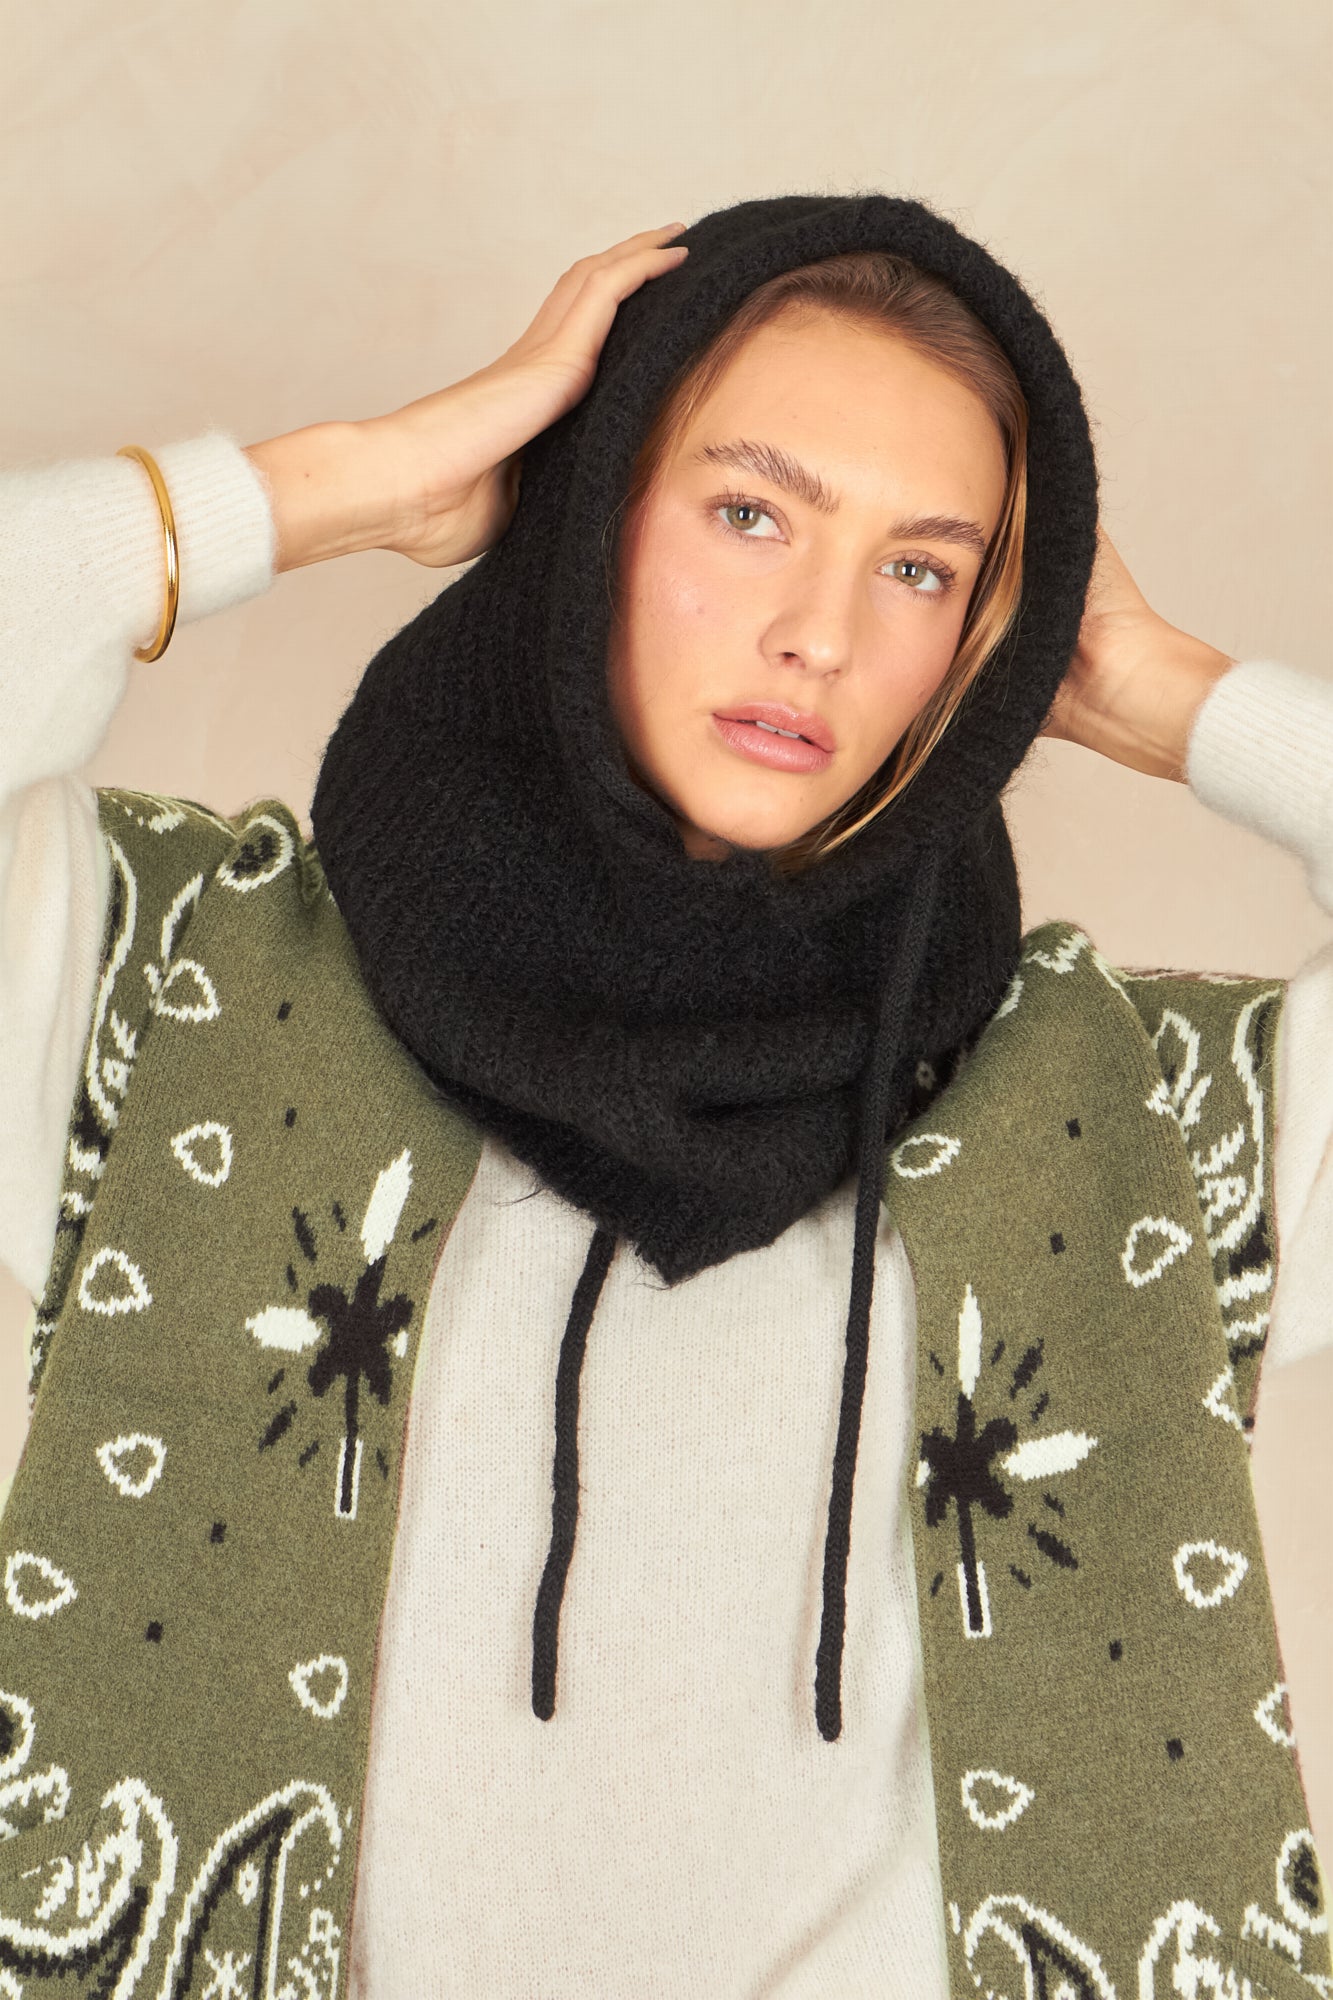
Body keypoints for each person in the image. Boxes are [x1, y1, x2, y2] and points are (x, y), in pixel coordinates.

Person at [0, 194, 1329, 2000]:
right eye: (748, 512)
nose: (818, 634)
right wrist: (351, 482)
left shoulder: (1132, 1124)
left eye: (920, 571)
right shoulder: (174, 996)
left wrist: (1175, 697)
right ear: (595, 508)